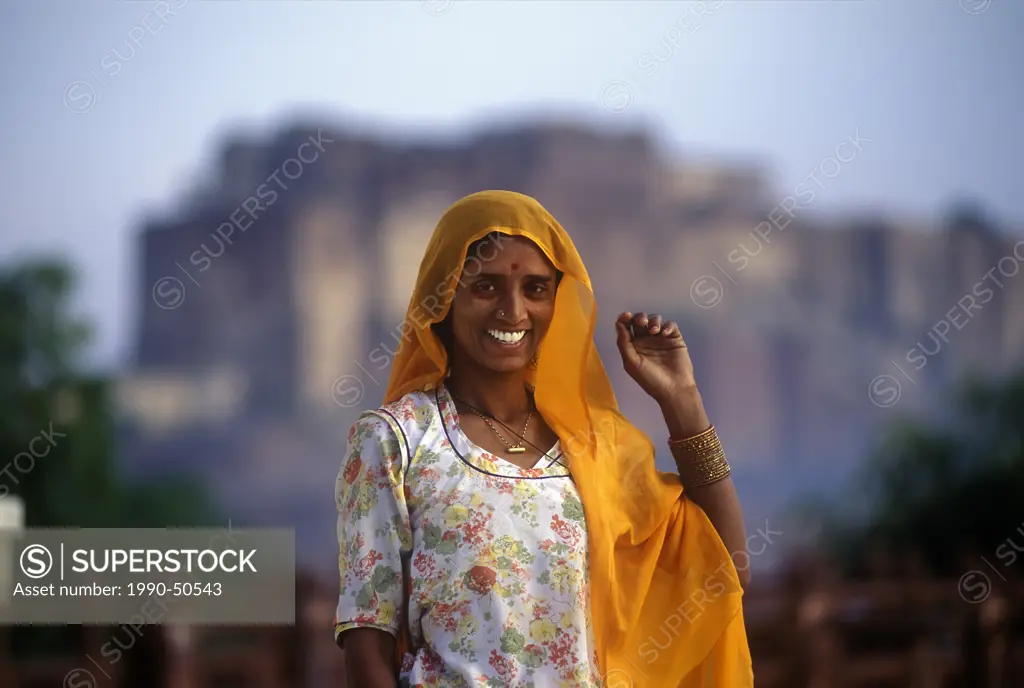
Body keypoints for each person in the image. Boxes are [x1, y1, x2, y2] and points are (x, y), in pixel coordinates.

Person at [335, 190, 753, 687]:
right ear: (443, 299)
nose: (513, 311)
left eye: (536, 289)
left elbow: (724, 574)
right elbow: (367, 641)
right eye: (486, 287)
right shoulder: (394, 440)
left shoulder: (595, 447)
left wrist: (682, 402)